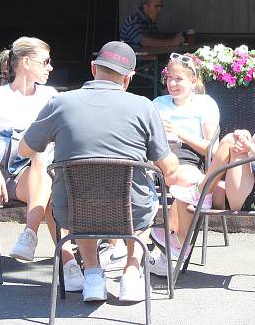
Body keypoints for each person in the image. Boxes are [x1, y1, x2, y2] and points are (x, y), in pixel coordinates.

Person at [19, 41, 179, 304]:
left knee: (85, 199)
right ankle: (130, 273)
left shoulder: (60, 103)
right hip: (131, 211)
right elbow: (169, 168)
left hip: (71, 211)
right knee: (147, 193)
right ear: (128, 78)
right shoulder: (145, 107)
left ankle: (92, 274)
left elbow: (25, 149)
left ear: (93, 68)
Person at [0, 37, 83, 291]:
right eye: (45, 61)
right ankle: (68, 262)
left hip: (49, 173)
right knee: (42, 162)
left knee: (46, 172)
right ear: (25, 62)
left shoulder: (50, 95)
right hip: (10, 175)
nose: (50, 67)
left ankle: (30, 235)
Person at [166, 82, 255, 253]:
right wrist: (247, 141)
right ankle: (177, 243)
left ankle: (202, 193)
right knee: (184, 189)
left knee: (230, 139)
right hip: (246, 190)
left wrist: (248, 146)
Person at [149, 52, 220, 256]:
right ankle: (122, 242)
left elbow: (212, 149)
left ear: (193, 81)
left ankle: (173, 238)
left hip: (187, 157)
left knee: (189, 179)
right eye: (170, 78)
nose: (172, 83)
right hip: (158, 154)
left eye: (179, 79)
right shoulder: (158, 103)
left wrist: (180, 133)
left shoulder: (205, 104)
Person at [119, 0, 185, 47]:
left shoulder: (151, 21)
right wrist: (172, 42)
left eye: (161, 6)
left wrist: (174, 38)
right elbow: (144, 42)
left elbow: (157, 41)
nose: (160, 10)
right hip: (135, 60)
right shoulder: (134, 20)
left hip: (149, 59)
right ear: (146, 6)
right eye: (156, 6)